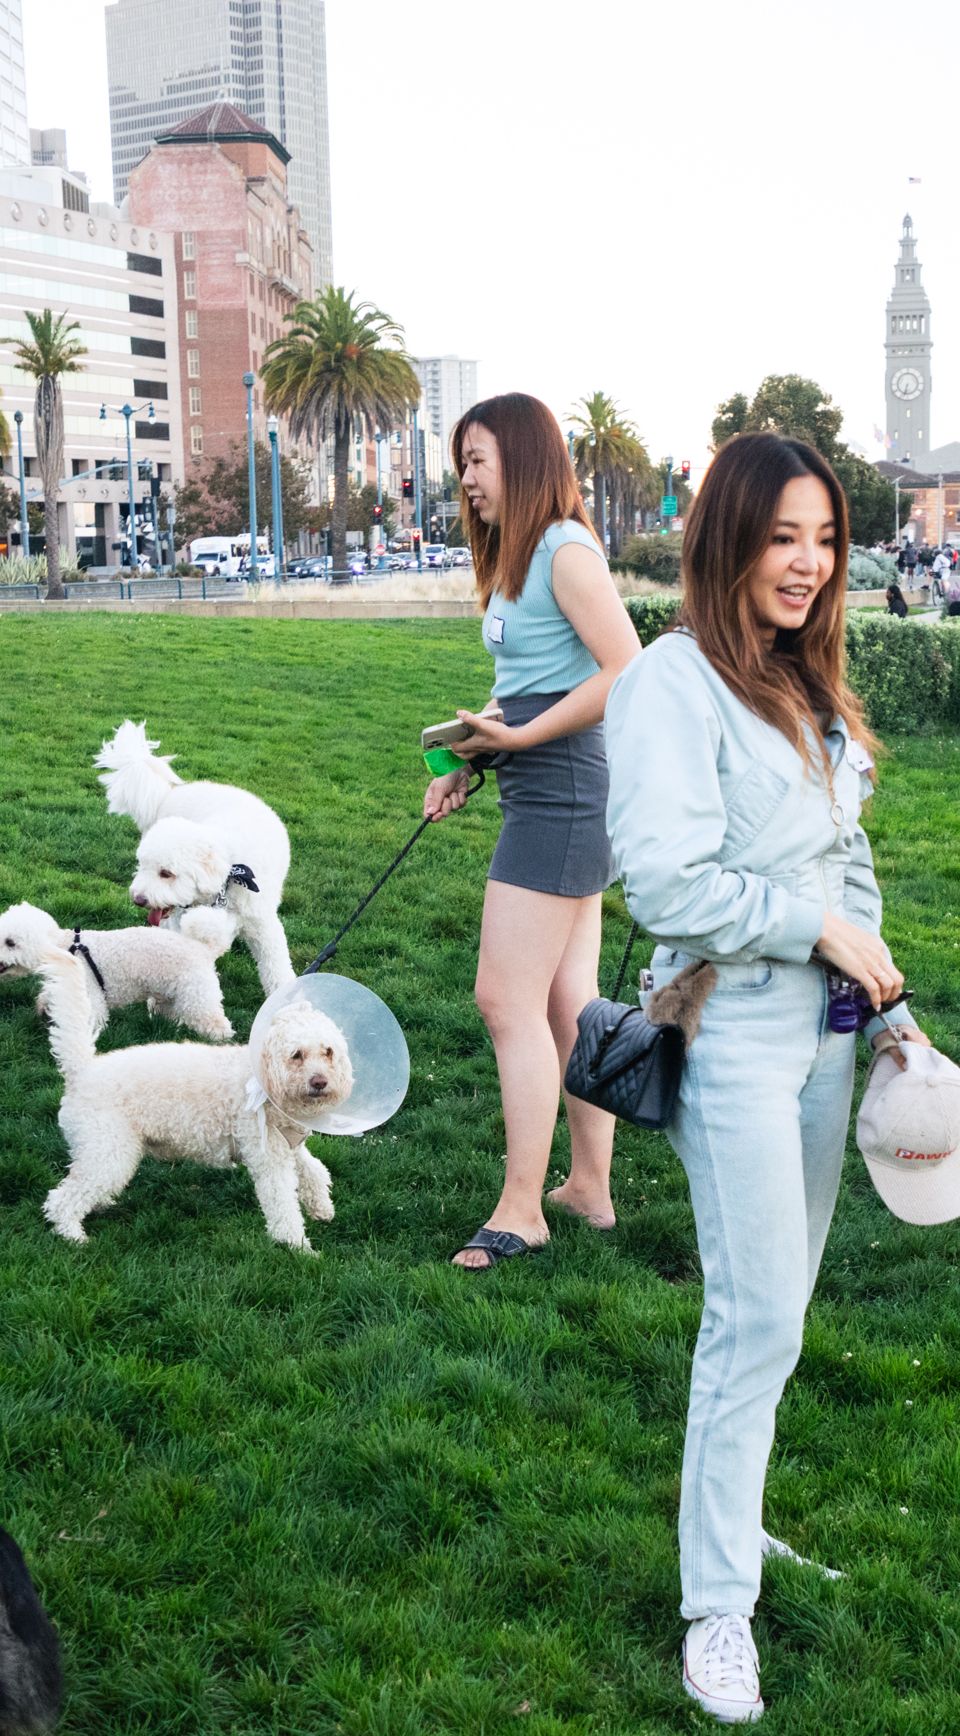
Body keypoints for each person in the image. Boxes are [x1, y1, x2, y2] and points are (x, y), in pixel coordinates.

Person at [605, 432, 928, 1724]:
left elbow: (840, 853)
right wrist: (819, 931)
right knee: (757, 1322)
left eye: (824, 539)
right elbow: (667, 883)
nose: (808, 563)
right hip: (732, 1027)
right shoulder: (671, 688)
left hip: (830, 1036)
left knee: (779, 1307)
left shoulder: (806, 681)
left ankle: (732, 1525)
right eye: (783, 536)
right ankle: (716, 1611)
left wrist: (876, 957)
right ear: (725, 539)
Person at [421, 393, 643, 1269]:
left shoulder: (565, 549)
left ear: (521, 455)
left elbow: (628, 669)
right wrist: (473, 755)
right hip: (542, 780)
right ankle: (588, 1188)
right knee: (564, 1004)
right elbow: (535, 683)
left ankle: (524, 1208)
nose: (466, 479)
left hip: (566, 790)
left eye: (477, 460)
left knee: (503, 998)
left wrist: (518, 739)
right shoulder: (524, 555)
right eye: (462, 464)